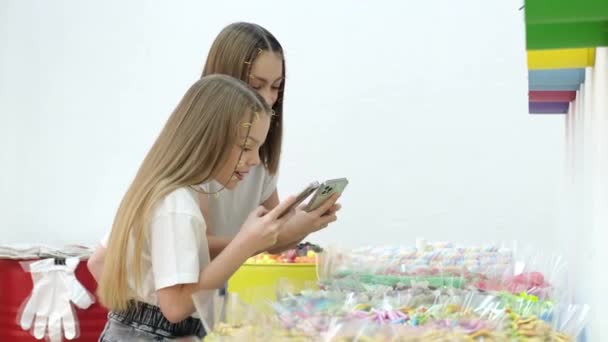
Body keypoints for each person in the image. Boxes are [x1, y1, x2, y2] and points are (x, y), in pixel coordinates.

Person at [88, 22, 341, 282]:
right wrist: (274, 235)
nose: (267, 98)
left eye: (276, 86)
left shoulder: (256, 161)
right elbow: (195, 249)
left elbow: (264, 241)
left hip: (197, 304)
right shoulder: (193, 167)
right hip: (165, 306)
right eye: (256, 85)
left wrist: (299, 227)